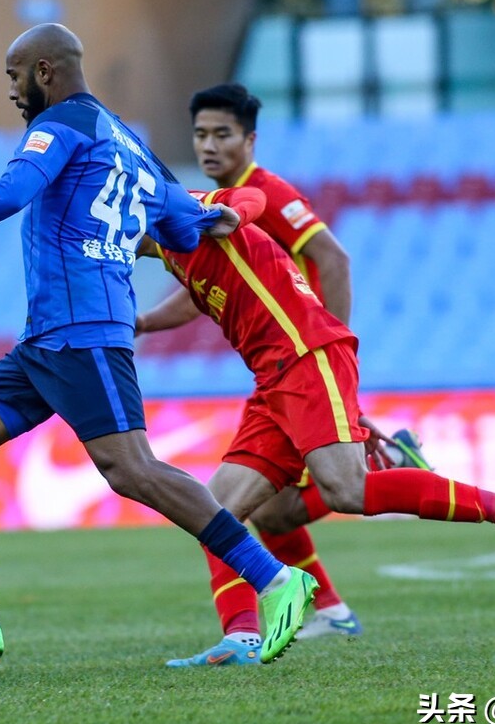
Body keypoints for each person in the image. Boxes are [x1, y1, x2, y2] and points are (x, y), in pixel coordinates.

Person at [0, 24, 318, 673]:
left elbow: (9, 194)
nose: (10, 90)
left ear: (46, 70)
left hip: (85, 329)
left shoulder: (60, 125)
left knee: (132, 469)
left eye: (14, 76)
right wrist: (224, 213)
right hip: (49, 338)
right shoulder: (131, 146)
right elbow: (182, 220)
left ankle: (274, 577)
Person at [135, 184, 495, 665]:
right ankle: (241, 639)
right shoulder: (173, 250)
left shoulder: (185, 207)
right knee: (214, 510)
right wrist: (143, 322)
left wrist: (232, 215)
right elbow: (195, 292)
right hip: (274, 376)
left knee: (348, 489)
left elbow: (250, 199)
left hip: (306, 355)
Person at [183, 82, 433, 647]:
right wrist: (149, 322)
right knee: (269, 512)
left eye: (223, 133)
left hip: (306, 358)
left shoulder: (262, 193)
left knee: (298, 496)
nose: (209, 145)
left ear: (250, 140)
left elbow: (333, 257)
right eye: (201, 134)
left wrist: (336, 347)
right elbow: (200, 281)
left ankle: (389, 471)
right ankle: (332, 610)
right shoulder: (214, 206)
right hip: (279, 366)